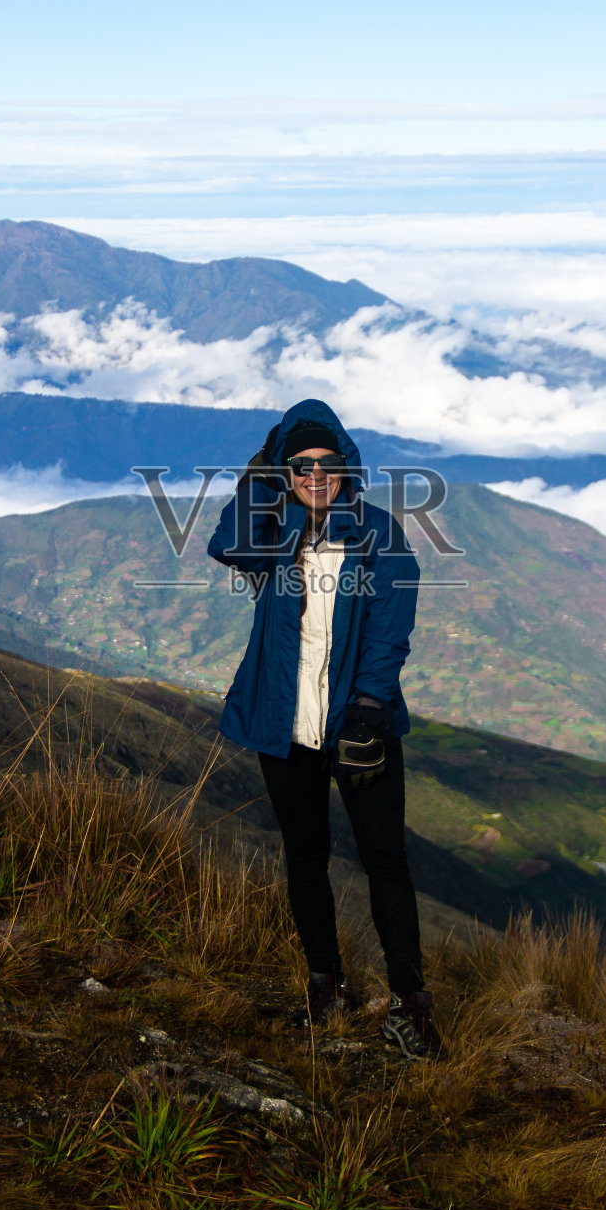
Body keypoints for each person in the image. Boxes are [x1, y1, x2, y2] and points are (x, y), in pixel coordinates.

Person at [207, 397, 442, 1060]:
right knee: (304, 858)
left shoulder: (378, 532)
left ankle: (410, 1007)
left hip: (357, 726)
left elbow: (391, 625)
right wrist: (257, 477)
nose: (315, 473)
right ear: (285, 471)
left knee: (384, 861)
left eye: (326, 462)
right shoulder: (272, 530)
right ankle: (325, 990)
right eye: (300, 464)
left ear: (346, 466)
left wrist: (368, 708)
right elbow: (224, 543)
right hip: (284, 728)